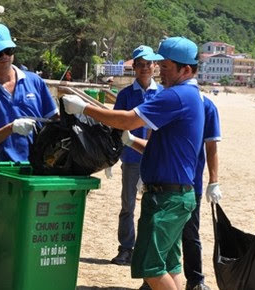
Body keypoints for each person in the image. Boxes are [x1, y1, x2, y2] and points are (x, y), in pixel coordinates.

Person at [63, 36, 204, 290]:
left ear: (186, 69)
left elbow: (127, 120)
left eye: (166, 67)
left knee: (150, 267)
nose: (160, 72)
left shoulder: (177, 96)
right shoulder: (190, 96)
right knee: (171, 263)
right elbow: (157, 146)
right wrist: (130, 143)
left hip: (167, 199)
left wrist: (84, 108)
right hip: (176, 194)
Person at [0, 23, 58, 161]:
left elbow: (54, 120)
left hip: (43, 168)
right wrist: (11, 128)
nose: (4, 56)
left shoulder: (35, 82)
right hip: (8, 172)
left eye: (8, 50)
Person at [110, 45, 163, 266]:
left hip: (156, 159)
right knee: (128, 206)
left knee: (153, 206)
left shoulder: (162, 94)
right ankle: (126, 248)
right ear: (134, 67)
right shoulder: (125, 95)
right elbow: (115, 125)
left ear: (155, 66)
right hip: (131, 158)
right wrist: (111, 156)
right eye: (139, 64)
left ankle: (146, 249)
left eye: (147, 64)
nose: (144, 68)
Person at [182, 96, 221, 290]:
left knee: (190, 233)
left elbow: (211, 146)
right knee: (160, 232)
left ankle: (195, 279)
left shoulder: (206, 105)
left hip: (192, 182)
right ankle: (152, 279)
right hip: (163, 178)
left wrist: (213, 181)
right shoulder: (166, 98)